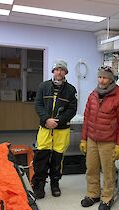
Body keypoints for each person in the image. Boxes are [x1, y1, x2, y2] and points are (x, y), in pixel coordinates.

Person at [79, 66, 119, 210]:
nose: (101, 80)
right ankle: (93, 194)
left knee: (108, 171)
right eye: (100, 77)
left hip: (108, 141)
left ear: (111, 79)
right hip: (92, 139)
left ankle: (107, 197)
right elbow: (87, 118)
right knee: (91, 168)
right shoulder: (93, 94)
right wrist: (83, 139)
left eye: (105, 77)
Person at [32, 60, 77, 199]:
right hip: (45, 129)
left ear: (65, 73)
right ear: (53, 71)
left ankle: (55, 183)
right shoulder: (43, 86)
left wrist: (58, 121)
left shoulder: (71, 90)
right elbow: (38, 104)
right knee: (41, 157)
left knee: (58, 159)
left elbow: (72, 110)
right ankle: (39, 185)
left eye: (62, 70)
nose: (59, 72)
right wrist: (46, 119)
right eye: (57, 69)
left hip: (61, 129)